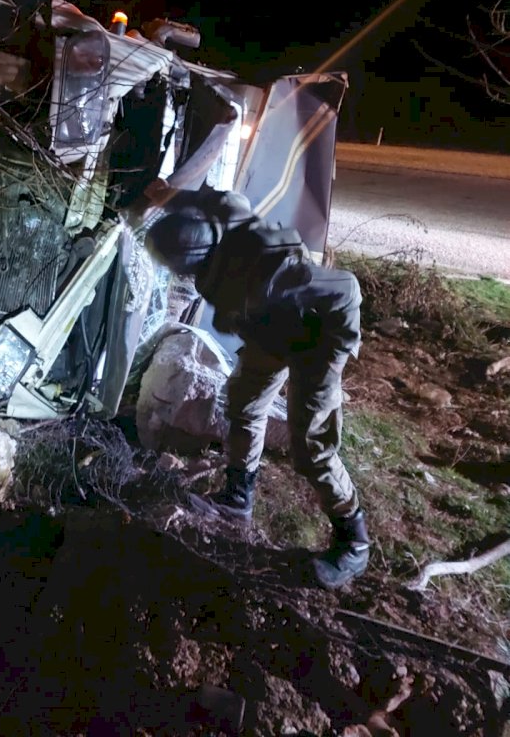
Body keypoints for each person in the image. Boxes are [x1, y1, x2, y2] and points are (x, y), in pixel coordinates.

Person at [143, 184, 369, 590]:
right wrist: (168, 197)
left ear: (189, 264)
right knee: (244, 405)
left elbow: (346, 288)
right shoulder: (225, 216)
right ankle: (237, 498)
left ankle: (354, 540)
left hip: (317, 342)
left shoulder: (272, 274)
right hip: (271, 332)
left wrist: (339, 351)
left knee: (311, 446)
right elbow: (204, 200)